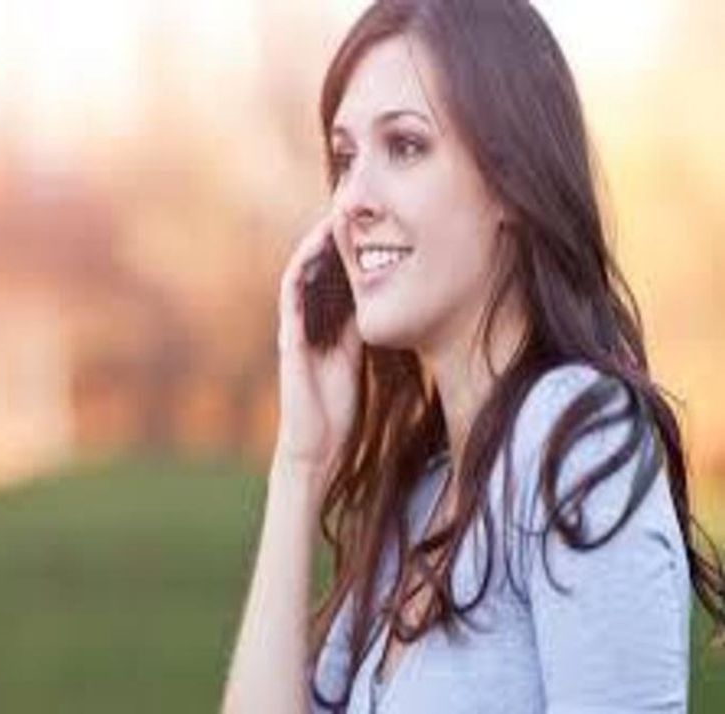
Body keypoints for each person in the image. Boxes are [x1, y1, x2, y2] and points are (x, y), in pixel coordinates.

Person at [220, 1, 725, 713]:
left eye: (404, 146)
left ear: (511, 181)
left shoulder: (577, 442)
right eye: (345, 158)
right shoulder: (419, 502)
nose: (352, 200)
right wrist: (300, 464)